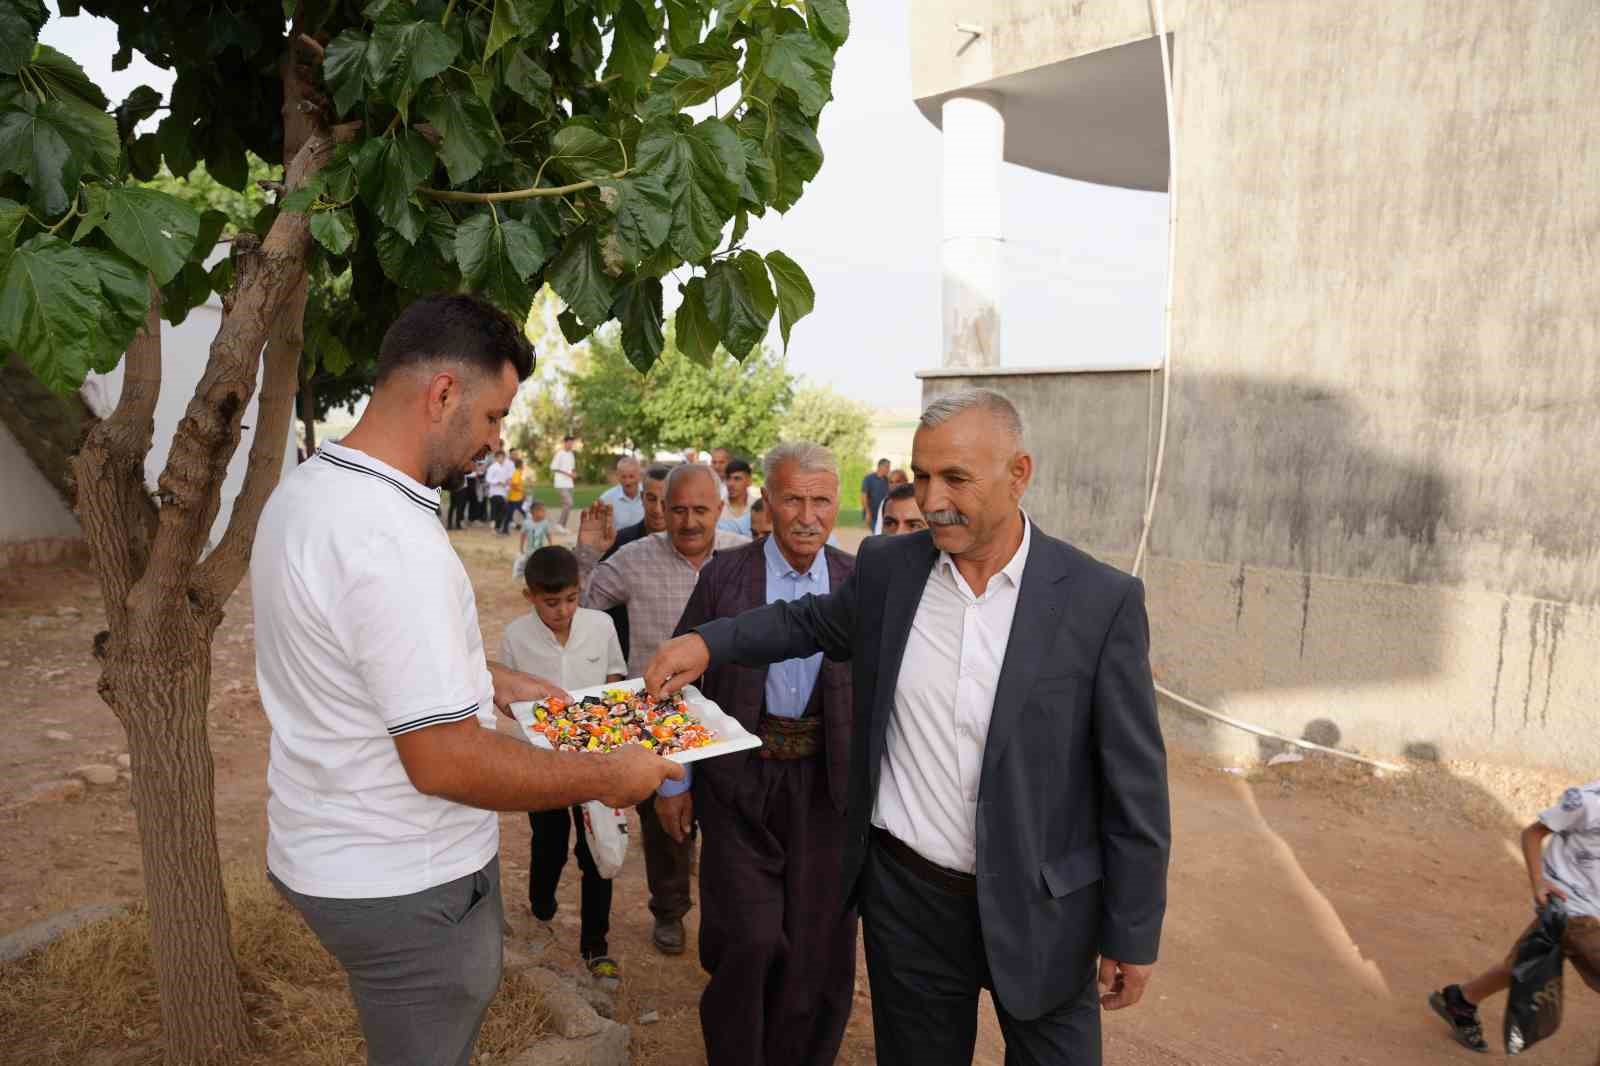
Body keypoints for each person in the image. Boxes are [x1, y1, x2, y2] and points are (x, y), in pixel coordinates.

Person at [645, 388, 1170, 1066]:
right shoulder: (893, 569)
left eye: (956, 477)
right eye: (921, 476)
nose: (932, 498)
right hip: (910, 903)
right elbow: (807, 622)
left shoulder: (1100, 602)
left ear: (1019, 474)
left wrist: (1132, 928)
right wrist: (708, 644)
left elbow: (1135, 784)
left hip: (1043, 909)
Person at [253, 293, 683, 1066]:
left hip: (333, 850)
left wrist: (499, 682)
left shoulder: (313, 492)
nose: (494, 440)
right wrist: (605, 774)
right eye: (492, 416)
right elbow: (443, 759)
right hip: (403, 882)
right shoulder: (392, 539)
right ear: (443, 393)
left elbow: (361, 656)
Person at [655, 443, 857, 1066]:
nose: (807, 515)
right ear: (766, 502)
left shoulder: (860, 583)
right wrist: (674, 783)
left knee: (818, 947)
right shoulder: (724, 576)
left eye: (821, 500)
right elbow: (675, 685)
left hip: (830, 792)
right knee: (748, 939)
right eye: (793, 498)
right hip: (740, 786)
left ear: (837, 504)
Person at [575, 464, 750, 956]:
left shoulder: (743, 559)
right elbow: (583, 607)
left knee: (732, 821)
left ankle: (730, 915)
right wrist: (588, 552)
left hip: (732, 714)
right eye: (678, 510)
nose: (689, 521)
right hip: (659, 717)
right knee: (664, 825)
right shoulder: (632, 560)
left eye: (700, 510)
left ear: (719, 509)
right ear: (661, 510)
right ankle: (669, 911)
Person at [501, 546, 629, 989]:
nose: (563, 611)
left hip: (596, 760)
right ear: (530, 596)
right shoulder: (516, 637)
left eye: (571, 599)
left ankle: (597, 946)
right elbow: (510, 700)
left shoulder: (602, 625)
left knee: (599, 851)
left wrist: (601, 737)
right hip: (543, 765)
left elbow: (615, 680)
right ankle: (541, 912)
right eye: (551, 602)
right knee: (548, 842)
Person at [1429, 780, 1600, 1053]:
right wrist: (1538, 882)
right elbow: (1533, 833)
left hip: (1586, 908)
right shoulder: (1588, 802)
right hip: (1575, 910)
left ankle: (1462, 1000)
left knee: (1525, 961)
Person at [600, 463, 671, 663]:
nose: (657, 509)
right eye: (651, 499)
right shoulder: (620, 542)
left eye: (665, 501)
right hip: (625, 653)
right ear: (642, 499)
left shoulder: (690, 547)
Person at [598, 456, 646, 530]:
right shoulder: (606, 499)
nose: (628, 482)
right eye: (623, 477)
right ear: (618, 476)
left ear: (639, 476)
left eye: (631, 476)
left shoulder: (648, 495)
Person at [513, 500, 552, 579]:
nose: (544, 513)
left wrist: (550, 544)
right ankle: (523, 574)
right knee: (528, 562)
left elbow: (548, 534)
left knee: (541, 562)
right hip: (530, 549)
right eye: (542, 511)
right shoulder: (527, 523)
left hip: (541, 548)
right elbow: (523, 535)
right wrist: (521, 547)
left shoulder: (545, 523)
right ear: (534, 512)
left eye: (544, 511)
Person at [717, 457, 754, 535]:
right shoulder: (717, 508)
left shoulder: (757, 507)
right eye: (728, 478)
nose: (731, 484)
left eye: (737, 479)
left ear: (749, 481)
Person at [551, 434, 578, 530]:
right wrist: (568, 474)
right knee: (569, 503)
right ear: (565, 443)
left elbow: (573, 468)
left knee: (567, 505)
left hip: (569, 484)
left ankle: (562, 526)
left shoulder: (571, 454)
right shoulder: (559, 454)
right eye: (569, 443)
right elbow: (554, 468)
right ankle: (559, 524)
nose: (571, 445)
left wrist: (574, 474)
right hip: (560, 483)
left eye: (572, 443)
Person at [486, 449, 514, 534]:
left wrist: (507, 484)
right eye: (501, 457)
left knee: (500, 511)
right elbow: (488, 479)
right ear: (496, 458)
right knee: (496, 510)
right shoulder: (493, 467)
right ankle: (494, 528)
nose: (502, 459)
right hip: (494, 493)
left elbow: (505, 480)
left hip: (502, 492)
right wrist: (497, 481)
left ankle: (497, 527)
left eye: (503, 458)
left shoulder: (503, 468)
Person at [859, 457, 891, 525]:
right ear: (880, 466)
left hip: (883, 515)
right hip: (871, 515)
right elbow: (863, 496)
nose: (889, 470)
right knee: (875, 532)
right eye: (887, 467)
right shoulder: (868, 479)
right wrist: (867, 512)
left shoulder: (887, 480)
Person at [507, 456, 527, 530]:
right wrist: (522, 490)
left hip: (513, 496)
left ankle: (516, 524)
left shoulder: (517, 472)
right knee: (522, 510)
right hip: (516, 497)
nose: (523, 466)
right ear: (520, 465)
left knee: (511, 511)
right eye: (523, 464)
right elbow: (514, 484)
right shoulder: (517, 473)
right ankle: (530, 523)